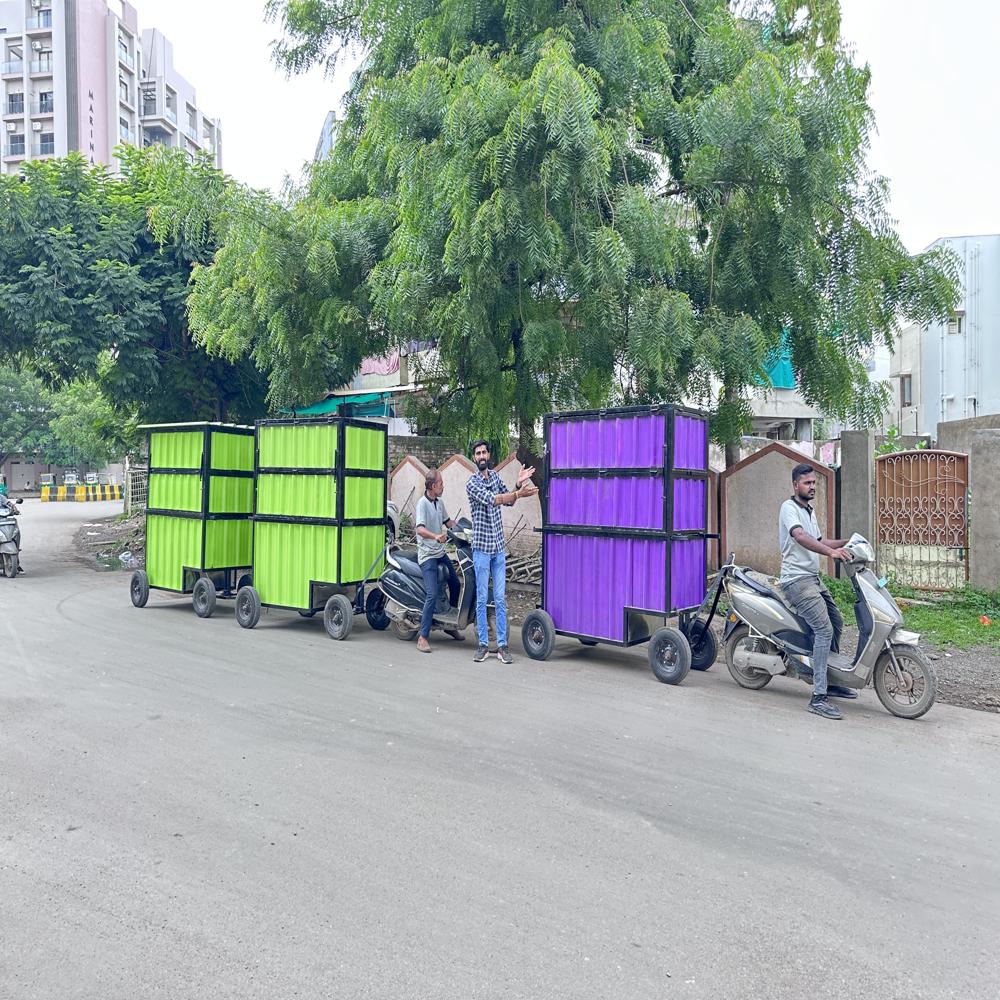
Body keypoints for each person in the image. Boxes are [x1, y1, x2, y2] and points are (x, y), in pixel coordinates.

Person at [779, 463, 855, 720]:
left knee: (836, 621)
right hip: (796, 580)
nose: (812, 486)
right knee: (823, 630)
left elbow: (820, 542)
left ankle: (830, 679)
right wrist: (831, 553)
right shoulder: (789, 509)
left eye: (813, 483)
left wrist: (847, 542)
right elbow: (800, 537)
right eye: (807, 483)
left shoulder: (809, 511)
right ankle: (818, 696)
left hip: (812, 578)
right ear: (795, 485)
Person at [466, 440, 538, 664]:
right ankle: (483, 645)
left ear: (489, 455)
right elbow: (494, 500)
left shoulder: (495, 478)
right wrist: (519, 495)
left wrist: (517, 486)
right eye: (477, 453)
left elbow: (508, 500)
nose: (481, 456)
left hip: (498, 549)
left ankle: (503, 646)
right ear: (474, 457)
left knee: (499, 598)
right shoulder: (472, 483)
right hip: (481, 549)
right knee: (481, 599)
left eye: (484, 452)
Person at [414, 469, 462, 653]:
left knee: (456, 584)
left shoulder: (439, 503)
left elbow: (448, 522)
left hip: (439, 552)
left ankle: (451, 626)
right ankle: (423, 637)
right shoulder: (422, 504)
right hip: (427, 555)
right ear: (433, 486)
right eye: (441, 483)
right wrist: (435, 536)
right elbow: (419, 529)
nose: (443, 486)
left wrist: (464, 529)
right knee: (432, 594)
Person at [0, 493, 24, 574]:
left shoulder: (1, 497)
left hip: (3, 520)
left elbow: (9, 503)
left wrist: (15, 509)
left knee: (16, 533)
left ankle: (16, 564)